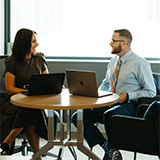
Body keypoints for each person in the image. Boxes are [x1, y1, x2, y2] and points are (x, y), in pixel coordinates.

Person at [72, 29, 156, 160]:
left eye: (113, 41)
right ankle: (108, 147)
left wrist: (127, 96)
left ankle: (111, 152)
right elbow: (106, 83)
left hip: (129, 105)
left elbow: (151, 91)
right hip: (110, 102)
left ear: (124, 43)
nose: (110, 44)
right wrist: (96, 99)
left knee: (110, 115)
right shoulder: (114, 60)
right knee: (78, 116)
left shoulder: (140, 62)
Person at [0, 28, 49, 160]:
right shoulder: (12, 61)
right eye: (34, 41)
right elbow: (10, 89)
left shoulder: (39, 58)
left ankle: (10, 138)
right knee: (30, 109)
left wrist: (56, 86)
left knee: (30, 108)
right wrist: (28, 92)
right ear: (24, 43)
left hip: (33, 102)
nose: (37, 44)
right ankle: (37, 155)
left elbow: (47, 81)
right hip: (13, 103)